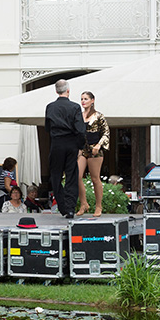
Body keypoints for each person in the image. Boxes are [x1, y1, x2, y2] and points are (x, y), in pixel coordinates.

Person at [45, 79, 87, 219]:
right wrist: (80, 146)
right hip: (71, 143)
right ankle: (70, 208)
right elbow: (80, 130)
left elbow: (47, 127)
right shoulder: (75, 107)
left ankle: (62, 206)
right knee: (71, 175)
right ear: (68, 91)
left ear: (56, 91)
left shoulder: (50, 107)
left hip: (57, 142)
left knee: (55, 175)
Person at [77, 91, 110, 217]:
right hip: (82, 150)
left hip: (94, 149)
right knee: (77, 176)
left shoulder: (98, 116)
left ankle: (98, 206)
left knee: (95, 178)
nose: (83, 101)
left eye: (86, 99)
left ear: (92, 100)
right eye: (82, 99)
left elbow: (106, 132)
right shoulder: (79, 116)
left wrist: (98, 145)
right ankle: (84, 203)